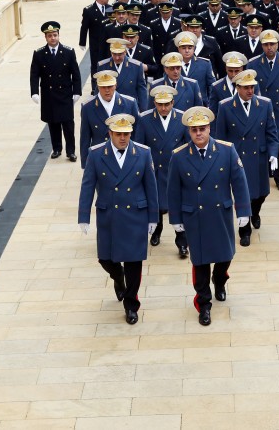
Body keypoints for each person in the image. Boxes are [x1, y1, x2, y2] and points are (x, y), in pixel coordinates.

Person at [167, 107, 251, 326]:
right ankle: (203, 304)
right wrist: (175, 219)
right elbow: (173, 190)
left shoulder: (226, 150)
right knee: (200, 264)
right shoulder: (179, 156)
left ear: (209, 128)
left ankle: (220, 280)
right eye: (194, 130)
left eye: (202, 129)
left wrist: (243, 212)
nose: (198, 134)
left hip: (220, 215)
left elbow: (239, 183)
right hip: (195, 217)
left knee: (225, 257)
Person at [78, 114, 159, 325]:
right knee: (105, 259)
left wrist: (153, 216)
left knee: (134, 263)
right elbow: (88, 186)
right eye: (119, 134)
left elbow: (151, 187)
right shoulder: (96, 154)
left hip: (135, 216)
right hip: (109, 216)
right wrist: (83, 216)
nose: (123, 138)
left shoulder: (143, 153)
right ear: (110, 134)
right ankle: (118, 276)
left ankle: (131, 304)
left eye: (126, 134)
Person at [213, 69, 279, 246]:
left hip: (258, 157)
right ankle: (245, 230)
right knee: (243, 195)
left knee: (261, 194)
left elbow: (272, 132)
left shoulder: (265, 104)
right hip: (238, 159)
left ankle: (255, 212)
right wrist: (221, 160)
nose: (250, 91)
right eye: (246, 87)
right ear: (237, 88)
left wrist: (273, 154)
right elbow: (221, 137)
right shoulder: (225, 106)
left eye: (252, 87)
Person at [134, 86, 191, 258]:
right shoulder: (144, 119)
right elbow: (139, 146)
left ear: (173, 102)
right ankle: (156, 231)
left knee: (177, 208)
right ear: (154, 103)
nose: (164, 108)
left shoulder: (182, 118)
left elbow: (188, 145)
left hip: (175, 172)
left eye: (167, 104)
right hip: (155, 171)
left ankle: (182, 243)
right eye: (160, 104)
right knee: (156, 204)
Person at [248, 30, 279, 191]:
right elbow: (251, 89)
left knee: (278, 143)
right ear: (262, 45)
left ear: (278, 44)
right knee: (262, 141)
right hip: (261, 109)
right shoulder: (253, 63)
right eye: (266, 44)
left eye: (272, 44)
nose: (269, 48)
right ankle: (266, 171)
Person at [30, 21, 81, 161]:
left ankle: (71, 151)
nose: (53, 38)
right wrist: (34, 92)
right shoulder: (39, 54)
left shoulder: (68, 52)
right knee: (53, 124)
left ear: (59, 35)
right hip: (49, 94)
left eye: (55, 35)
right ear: (45, 38)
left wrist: (77, 91)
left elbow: (75, 74)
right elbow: (34, 75)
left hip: (65, 94)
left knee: (68, 124)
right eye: (50, 36)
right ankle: (57, 148)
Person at [79, 70, 140, 168]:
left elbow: (137, 134)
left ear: (115, 85)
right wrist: (85, 165)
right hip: (100, 160)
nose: (107, 90)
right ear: (98, 87)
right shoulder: (87, 107)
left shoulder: (130, 104)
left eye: (110, 86)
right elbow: (85, 138)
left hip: (125, 158)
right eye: (103, 87)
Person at [80, 0, 112, 68]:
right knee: (96, 65)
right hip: (96, 44)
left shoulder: (111, 9)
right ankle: (94, 81)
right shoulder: (89, 10)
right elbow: (84, 27)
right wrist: (82, 42)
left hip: (108, 44)